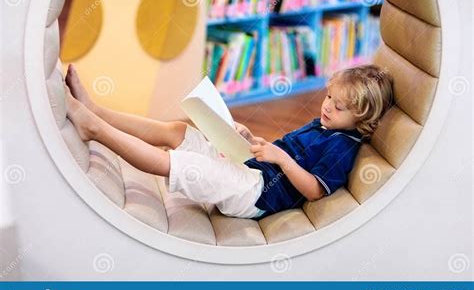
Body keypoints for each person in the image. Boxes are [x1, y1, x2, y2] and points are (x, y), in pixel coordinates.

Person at [64, 64, 393, 220]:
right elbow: (287, 151)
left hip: (255, 195)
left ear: (362, 118)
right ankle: (97, 111)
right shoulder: (324, 125)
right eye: (329, 96)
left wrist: (280, 159)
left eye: (339, 106)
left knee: (180, 164)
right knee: (179, 132)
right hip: (252, 169)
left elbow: (313, 190)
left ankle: (94, 129)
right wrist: (255, 141)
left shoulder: (342, 147)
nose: (326, 106)